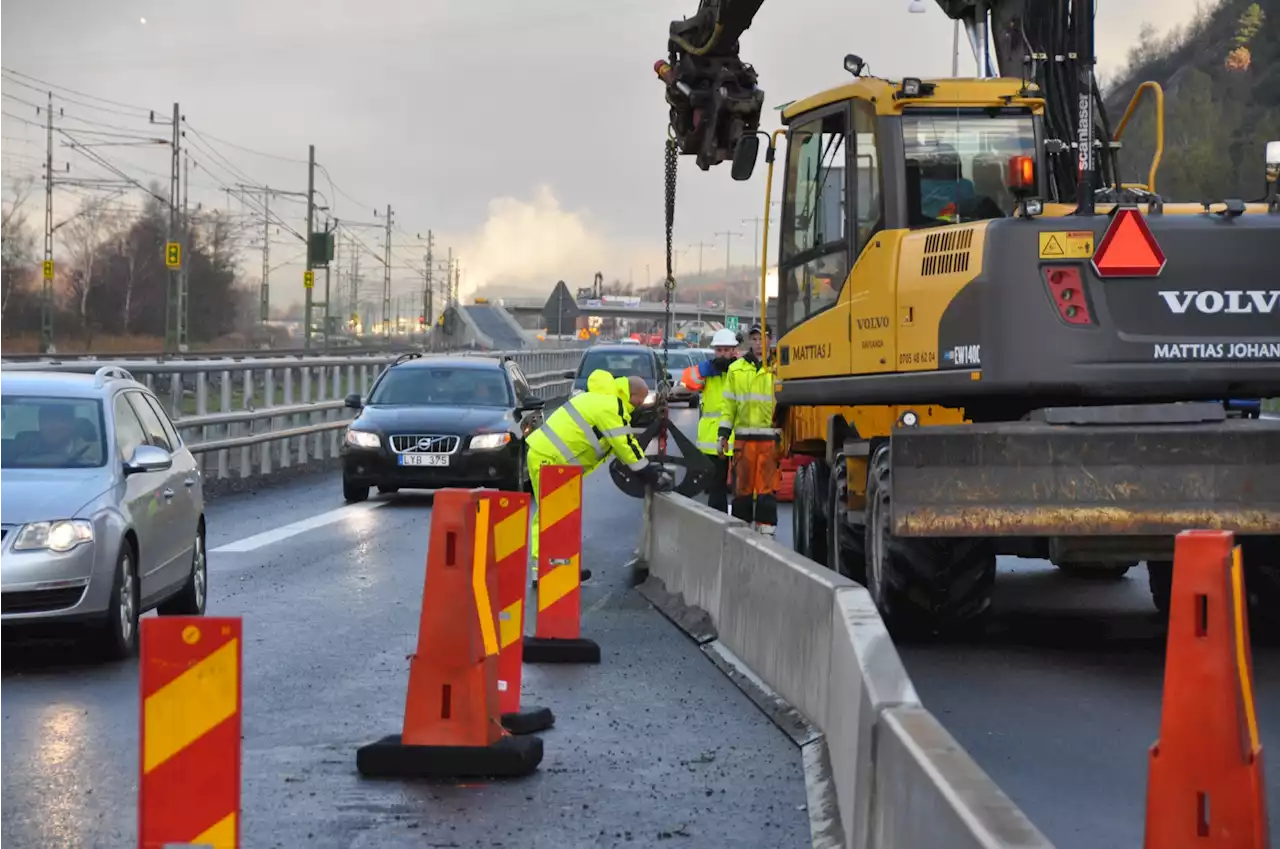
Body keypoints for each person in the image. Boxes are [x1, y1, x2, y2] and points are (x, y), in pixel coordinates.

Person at [525, 369, 672, 582]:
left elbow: (622, 443)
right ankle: (548, 572)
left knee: (560, 516)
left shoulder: (602, 400)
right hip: (551, 459)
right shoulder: (610, 406)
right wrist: (648, 472)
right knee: (553, 516)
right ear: (631, 395)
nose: (638, 408)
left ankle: (559, 567)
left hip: (553, 459)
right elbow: (624, 444)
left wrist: (642, 466)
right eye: (638, 403)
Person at [718, 323, 781, 536]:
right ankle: (741, 530)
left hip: (769, 437)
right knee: (742, 487)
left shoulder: (779, 368)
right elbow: (728, 406)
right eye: (753, 339)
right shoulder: (736, 370)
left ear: (770, 340)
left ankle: (766, 530)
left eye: (761, 338)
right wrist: (723, 435)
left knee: (766, 487)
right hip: (744, 439)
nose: (757, 343)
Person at [680, 328, 739, 512]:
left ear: (733, 351)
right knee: (716, 487)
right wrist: (704, 370)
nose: (722, 354)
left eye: (726, 350)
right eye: (719, 350)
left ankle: (737, 522)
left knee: (740, 489)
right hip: (712, 440)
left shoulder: (739, 371)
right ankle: (719, 520)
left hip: (736, 438)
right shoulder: (708, 371)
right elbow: (688, 380)